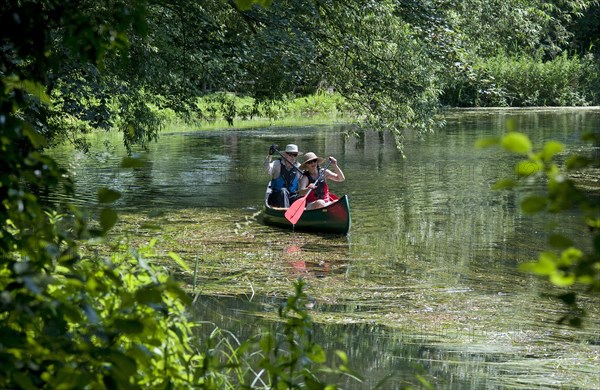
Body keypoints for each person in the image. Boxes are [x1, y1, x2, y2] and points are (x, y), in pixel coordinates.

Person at [264, 143, 303, 207]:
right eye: (290, 154)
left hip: (292, 196)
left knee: (302, 197)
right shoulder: (277, 164)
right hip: (277, 196)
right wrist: (269, 155)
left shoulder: (299, 167)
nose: (292, 157)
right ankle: (286, 212)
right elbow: (267, 170)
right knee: (283, 191)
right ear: (285, 155)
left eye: (295, 155)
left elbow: (305, 179)